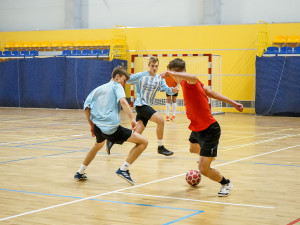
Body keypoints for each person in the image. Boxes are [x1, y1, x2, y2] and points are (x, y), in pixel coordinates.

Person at [160, 58, 244, 197]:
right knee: (192, 148)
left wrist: (169, 72)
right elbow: (213, 93)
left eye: (173, 74)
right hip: (197, 128)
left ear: (178, 72)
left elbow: (193, 76)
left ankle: (226, 183)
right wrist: (233, 103)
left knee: (203, 169)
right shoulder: (192, 84)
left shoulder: (190, 82)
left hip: (210, 129)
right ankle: (207, 156)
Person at [74, 66, 148, 185]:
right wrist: (132, 119)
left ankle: (80, 172)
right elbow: (123, 101)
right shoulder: (116, 86)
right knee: (143, 142)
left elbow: (86, 109)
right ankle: (123, 169)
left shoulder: (97, 89)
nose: (124, 84)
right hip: (111, 128)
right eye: (124, 80)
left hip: (98, 126)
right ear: (117, 77)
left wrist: (92, 126)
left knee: (97, 146)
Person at [106, 56, 179, 156]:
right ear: (149, 66)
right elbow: (126, 78)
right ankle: (160, 147)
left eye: (156, 66)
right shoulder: (141, 76)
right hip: (141, 105)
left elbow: (167, 89)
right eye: (152, 66)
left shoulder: (159, 79)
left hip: (147, 106)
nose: (154, 68)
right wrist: (115, 81)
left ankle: (113, 139)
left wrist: (172, 90)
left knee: (136, 135)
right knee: (161, 121)